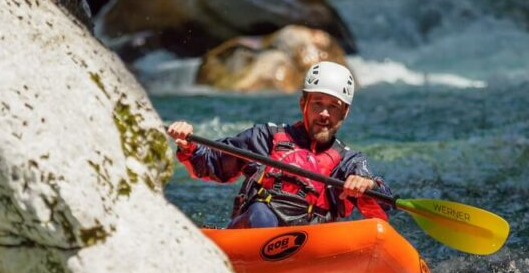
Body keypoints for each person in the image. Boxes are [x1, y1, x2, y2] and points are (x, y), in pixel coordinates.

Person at [167, 61, 392, 228]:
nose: (324, 113)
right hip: (256, 229)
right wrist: (188, 145)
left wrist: (368, 186)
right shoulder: (264, 138)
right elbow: (212, 164)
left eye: (334, 106)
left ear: (345, 112)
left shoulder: (349, 162)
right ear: (303, 104)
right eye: (317, 103)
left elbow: (381, 209)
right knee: (260, 213)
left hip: (311, 241)